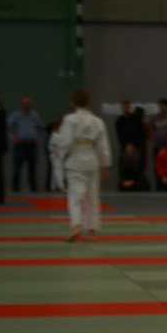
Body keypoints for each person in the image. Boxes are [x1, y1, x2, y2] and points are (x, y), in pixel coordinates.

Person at [57, 88, 111, 242]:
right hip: (92, 158)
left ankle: (76, 226)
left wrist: (61, 155)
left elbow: (66, 142)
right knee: (92, 197)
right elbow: (103, 145)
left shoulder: (70, 119)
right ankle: (91, 231)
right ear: (89, 102)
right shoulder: (97, 121)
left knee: (75, 196)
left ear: (72, 103)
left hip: (75, 159)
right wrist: (105, 164)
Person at [7, 95, 43, 193]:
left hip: (31, 144)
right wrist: (12, 137)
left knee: (32, 168)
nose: (26, 105)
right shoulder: (16, 115)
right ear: (22, 104)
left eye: (28, 103)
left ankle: (33, 187)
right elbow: (8, 127)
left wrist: (39, 137)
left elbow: (40, 128)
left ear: (31, 104)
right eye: (25, 103)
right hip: (20, 144)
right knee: (17, 167)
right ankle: (15, 187)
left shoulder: (35, 115)